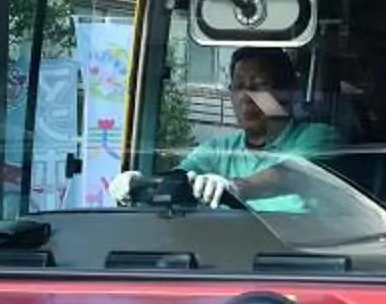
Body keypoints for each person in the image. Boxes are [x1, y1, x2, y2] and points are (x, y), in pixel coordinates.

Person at [119, 46, 338, 210]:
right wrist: (140, 184)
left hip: (299, 263)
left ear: (288, 91)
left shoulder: (320, 137)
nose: (247, 97)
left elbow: (290, 175)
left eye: (259, 85)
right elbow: (179, 179)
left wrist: (233, 188)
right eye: (239, 86)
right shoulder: (219, 149)